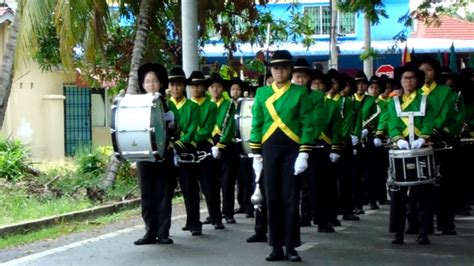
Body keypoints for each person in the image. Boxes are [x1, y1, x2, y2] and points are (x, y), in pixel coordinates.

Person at [250, 50, 313, 262]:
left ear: (290, 70)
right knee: (272, 198)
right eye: (276, 68)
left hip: (292, 149)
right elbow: (257, 123)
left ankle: (291, 246)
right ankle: (275, 246)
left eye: (284, 68)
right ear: (271, 70)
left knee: (290, 198)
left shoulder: (300, 92)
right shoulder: (261, 93)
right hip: (269, 149)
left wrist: (304, 152)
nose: (280, 71)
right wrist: (256, 155)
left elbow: (307, 124)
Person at [387, 64, 435, 244]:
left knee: (423, 193)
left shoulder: (425, 100)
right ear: (400, 81)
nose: (408, 81)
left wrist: (422, 138)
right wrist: (398, 138)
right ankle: (398, 232)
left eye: (412, 78)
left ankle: (423, 232)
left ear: (418, 81)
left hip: (420, 149)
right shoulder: (394, 102)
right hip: (401, 150)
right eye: (405, 78)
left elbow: (429, 121)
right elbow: (392, 123)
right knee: (398, 194)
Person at [134, 63, 175, 245]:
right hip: (144, 156)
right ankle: (150, 232)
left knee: (163, 194)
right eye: (147, 81)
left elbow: (174, 130)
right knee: (147, 195)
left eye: (155, 81)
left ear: (161, 84)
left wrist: (172, 124)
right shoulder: (136, 105)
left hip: (163, 156)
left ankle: (163, 233)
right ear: (143, 84)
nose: (151, 84)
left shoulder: (166, 105)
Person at [187, 70, 225, 230]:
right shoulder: (186, 104)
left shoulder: (210, 105)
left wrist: (192, 137)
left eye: (199, 85)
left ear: (204, 87)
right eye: (193, 85)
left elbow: (209, 127)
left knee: (210, 184)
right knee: (190, 187)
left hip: (204, 146)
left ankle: (216, 217)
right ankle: (192, 221)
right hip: (187, 147)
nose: (196, 88)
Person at [168, 70, 202, 236]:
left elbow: (192, 129)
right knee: (167, 190)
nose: (176, 88)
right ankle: (163, 227)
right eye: (172, 84)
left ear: (184, 86)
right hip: (168, 150)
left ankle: (194, 222)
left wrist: (179, 144)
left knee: (190, 188)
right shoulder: (165, 105)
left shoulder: (193, 106)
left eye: (179, 84)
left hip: (186, 149)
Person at [208, 73, 238, 224]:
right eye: (212, 87)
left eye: (218, 87)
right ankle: (213, 213)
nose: (215, 90)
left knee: (227, 181)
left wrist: (220, 144)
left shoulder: (229, 104)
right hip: (209, 145)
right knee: (211, 182)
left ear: (223, 89)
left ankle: (228, 212)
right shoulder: (206, 104)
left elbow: (230, 126)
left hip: (226, 146)